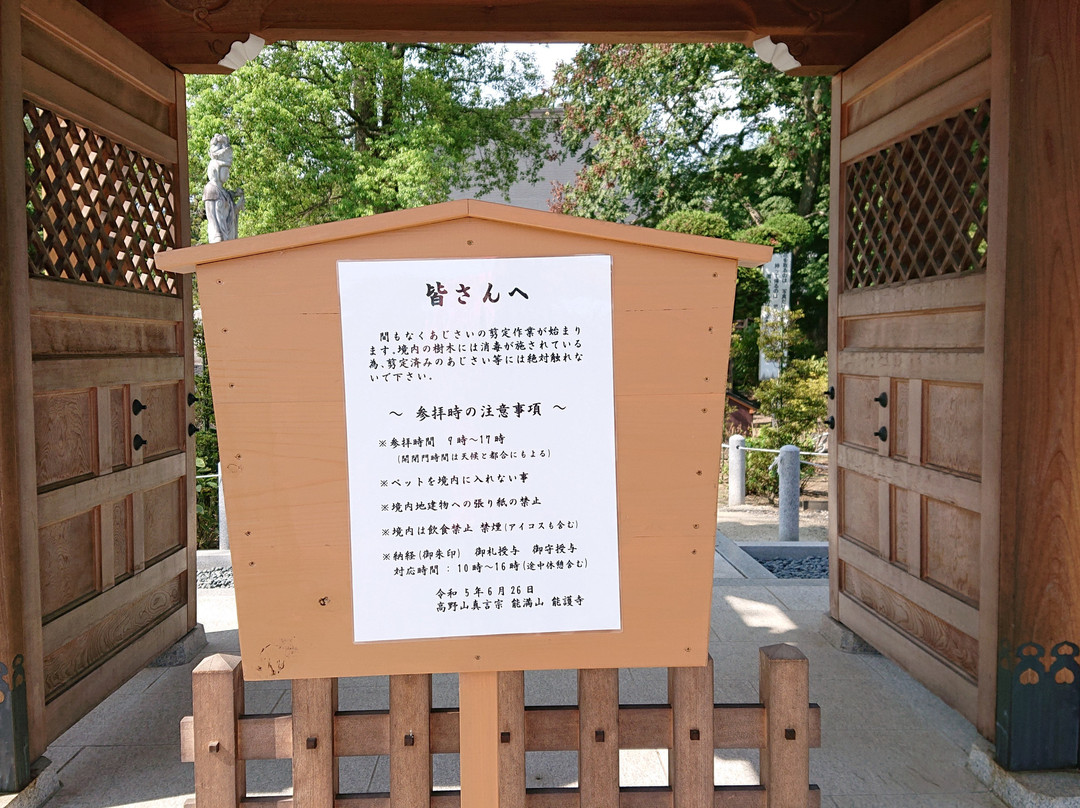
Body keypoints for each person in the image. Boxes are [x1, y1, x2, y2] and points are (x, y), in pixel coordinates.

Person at [203, 134, 244, 242]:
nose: (228, 175)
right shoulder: (210, 189)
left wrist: (239, 203)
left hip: (229, 236)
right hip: (219, 237)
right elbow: (211, 216)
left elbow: (231, 214)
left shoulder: (226, 193)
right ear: (216, 171)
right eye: (226, 171)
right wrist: (217, 235)